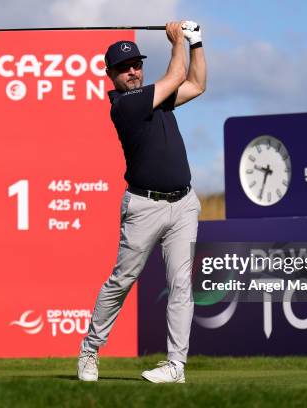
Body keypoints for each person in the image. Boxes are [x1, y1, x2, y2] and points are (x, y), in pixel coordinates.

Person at [78, 21, 206, 383]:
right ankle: (90, 351)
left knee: (181, 284)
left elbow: (196, 83)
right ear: (112, 75)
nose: (132, 71)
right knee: (122, 279)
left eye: (136, 64)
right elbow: (178, 72)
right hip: (143, 206)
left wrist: (196, 42)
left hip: (183, 204)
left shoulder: (156, 97)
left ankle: (176, 366)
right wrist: (177, 39)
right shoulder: (125, 105)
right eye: (124, 68)